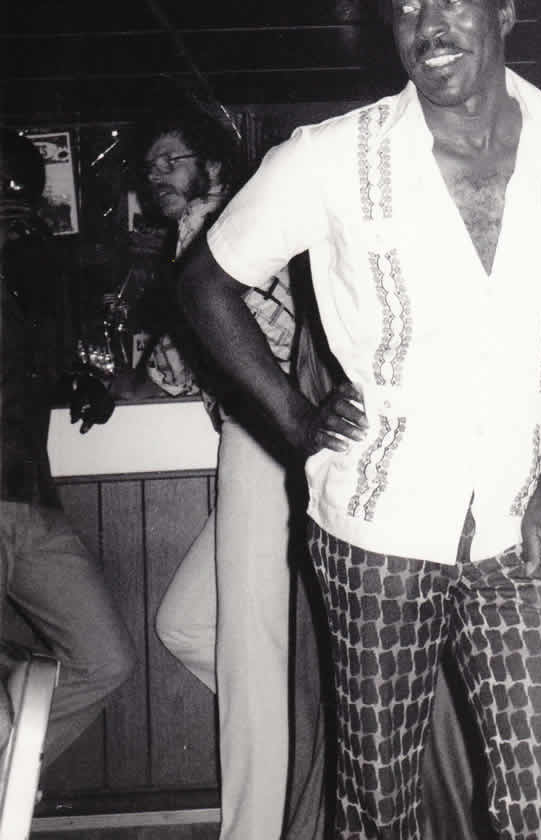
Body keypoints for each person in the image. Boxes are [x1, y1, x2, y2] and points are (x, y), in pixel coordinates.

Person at [177, 0, 541, 840]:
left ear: (502, 10)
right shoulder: (328, 158)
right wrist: (291, 424)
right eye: (407, 9)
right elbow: (204, 284)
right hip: (373, 528)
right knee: (374, 807)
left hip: (522, 527)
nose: (430, 27)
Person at [136, 108, 327, 840]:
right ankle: (310, 737)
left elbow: (227, 351)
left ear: (212, 164)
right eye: (150, 166)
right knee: (188, 624)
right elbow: (181, 371)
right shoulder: (216, 235)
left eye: (171, 160)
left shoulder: (211, 228)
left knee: (250, 653)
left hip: (262, 440)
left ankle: (255, 829)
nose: (158, 177)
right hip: (264, 443)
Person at [0, 128, 136, 768]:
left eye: (23, 188)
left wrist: (81, 377)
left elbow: (36, 365)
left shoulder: (31, 275)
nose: (14, 200)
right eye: (2, 186)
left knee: (103, 659)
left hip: (32, 505)